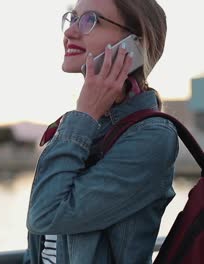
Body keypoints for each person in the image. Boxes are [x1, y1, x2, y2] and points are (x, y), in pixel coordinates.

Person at [23, 0, 178, 263]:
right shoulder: (83, 124)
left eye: (90, 20)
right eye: (73, 18)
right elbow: (39, 249)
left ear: (135, 44)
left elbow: (44, 215)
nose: (70, 31)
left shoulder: (151, 136)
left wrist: (84, 116)